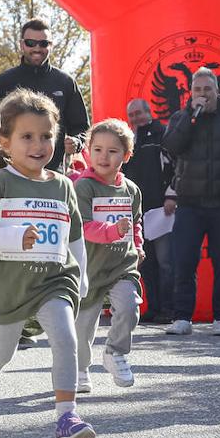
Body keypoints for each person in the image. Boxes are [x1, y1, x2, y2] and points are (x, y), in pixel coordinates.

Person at [0, 89, 94, 438]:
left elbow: (75, 236)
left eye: (46, 136)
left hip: (55, 280)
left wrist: (81, 275)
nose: (38, 145)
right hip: (10, 284)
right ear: (5, 142)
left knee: (65, 339)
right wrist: (14, 238)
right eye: (27, 137)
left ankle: (66, 416)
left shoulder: (65, 185)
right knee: (1, 352)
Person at [162, 67, 220, 337]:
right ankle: (182, 317)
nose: (202, 94)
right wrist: (189, 119)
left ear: (217, 91)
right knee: (184, 261)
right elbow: (171, 146)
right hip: (189, 203)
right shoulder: (182, 118)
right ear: (191, 93)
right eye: (197, 90)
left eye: (207, 89)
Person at [73, 119, 144, 393]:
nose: (104, 156)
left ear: (126, 155)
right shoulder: (83, 187)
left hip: (121, 265)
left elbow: (135, 222)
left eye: (113, 151)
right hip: (89, 267)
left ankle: (115, 352)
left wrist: (138, 245)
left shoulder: (131, 190)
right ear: (88, 151)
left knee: (129, 307)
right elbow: (83, 227)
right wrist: (113, 231)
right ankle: (79, 368)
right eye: (98, 149)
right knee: (83, 326)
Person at [0, 18, 89, 173]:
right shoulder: (3, 82)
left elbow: (82, 127)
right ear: (22, 44)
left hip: (52, 173)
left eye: (43, 43)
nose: (37, 48)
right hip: (10, 173)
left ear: (51, 45)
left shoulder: (66, 82)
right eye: (30, 43)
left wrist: (77, 142)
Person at [123, 98, 176, 323]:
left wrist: (172, 194)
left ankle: (169, 309)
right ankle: (153, 308)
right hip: (138, 210)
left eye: (138, 113)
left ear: (149, 112)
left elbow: (175, 165)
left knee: (166, 262)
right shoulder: (128, 139)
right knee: (147, 262)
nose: (135, 119)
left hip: (161, 208)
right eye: (131, 115)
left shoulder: (162, 133)